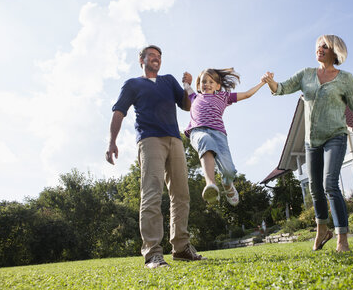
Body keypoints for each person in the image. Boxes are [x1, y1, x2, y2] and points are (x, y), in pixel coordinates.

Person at [262, 35, 353, 252]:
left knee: (330, 184)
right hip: (312, 140)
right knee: (315, 188)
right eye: (318, 45)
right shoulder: (306, 74)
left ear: (335, 51)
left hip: (335, 137)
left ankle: (342, 239)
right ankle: (322, 230)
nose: (319, 48)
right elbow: (281, 88)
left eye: (325, 46)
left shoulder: (345, 79)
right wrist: (270, 81)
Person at [106, 45, 206, 269]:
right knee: (151, 194)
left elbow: (187, 105)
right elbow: (119, 111)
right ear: (141, 60)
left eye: (159, 56)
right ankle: (152, 254)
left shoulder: (169, 81)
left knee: (181, 195)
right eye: (151, 55)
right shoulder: (133, 84)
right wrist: (112, 141)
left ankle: (181, 248)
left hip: (175, 140)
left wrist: (188, 86)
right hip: (150, 140)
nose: (156, 59)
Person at [183, 68, 265, 206]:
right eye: (203, 81)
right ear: (198, 85)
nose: (207, 84)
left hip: (219, 134)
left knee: (229, 171)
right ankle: (210, 184)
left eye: (211, 81)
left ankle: (227, 185)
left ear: (218, 86)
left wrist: (262, 83)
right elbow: (187, 87)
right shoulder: (194, 97)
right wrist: (186, 82)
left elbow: (246, 94)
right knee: (205, 140)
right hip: (197, 131)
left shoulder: (224, 97)